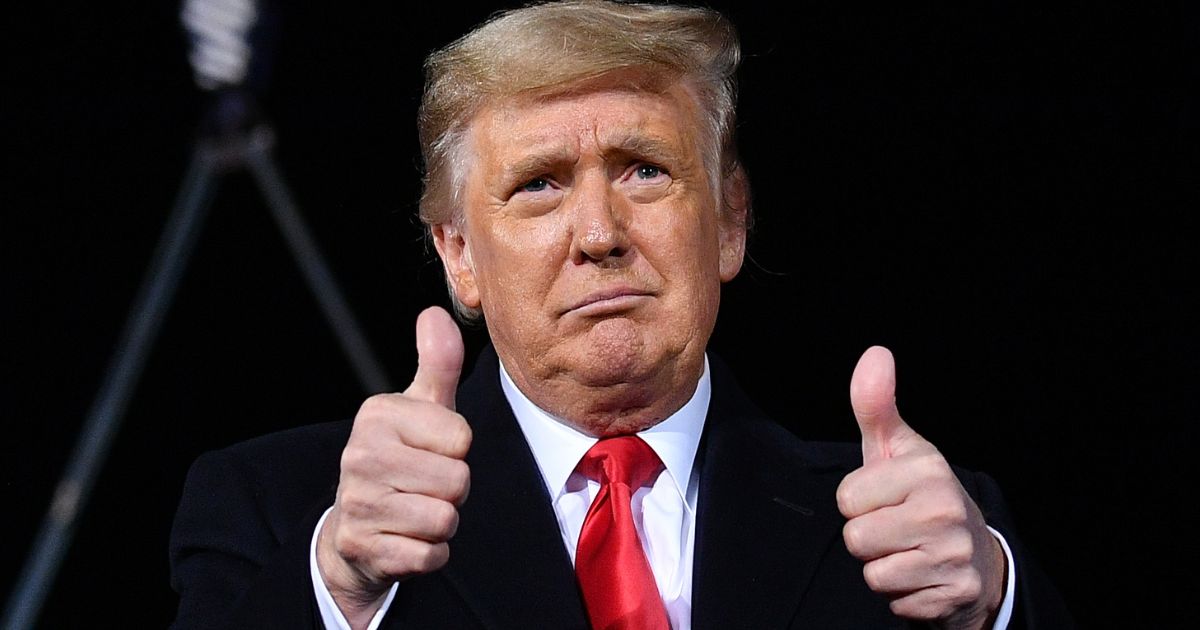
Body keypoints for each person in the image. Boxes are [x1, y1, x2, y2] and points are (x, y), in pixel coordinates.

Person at [169, 1, 1072, 628]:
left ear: (730, 221)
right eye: (538, 186)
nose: (599, 233)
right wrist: (339, 586)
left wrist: (991, 603)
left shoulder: (910, 533)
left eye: (645, 169)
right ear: (457, 256)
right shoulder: (285, 516)